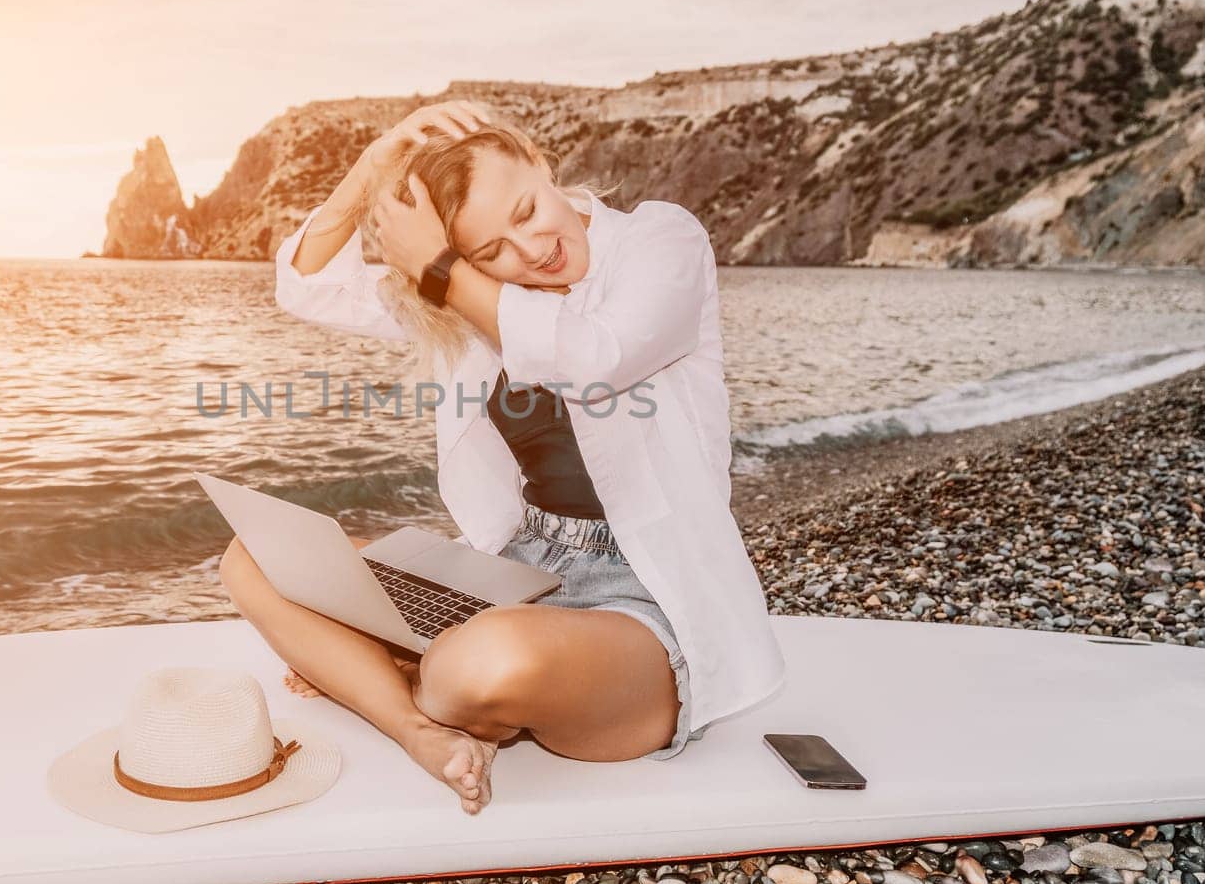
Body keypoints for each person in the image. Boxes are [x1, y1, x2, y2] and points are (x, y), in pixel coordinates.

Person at [219, 100, 785, 815]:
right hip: (521, 570)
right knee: (253, 555)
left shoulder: (659, 241)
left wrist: (445, 269)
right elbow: (307, 285)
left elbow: (598, 357)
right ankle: (416, 727)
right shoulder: (474, 299)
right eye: (491, 251)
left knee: (474, 666)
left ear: (540, 162)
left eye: (525, 209)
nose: (530, 249)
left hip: (647, 596)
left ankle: (389, 672)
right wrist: (371, 172)